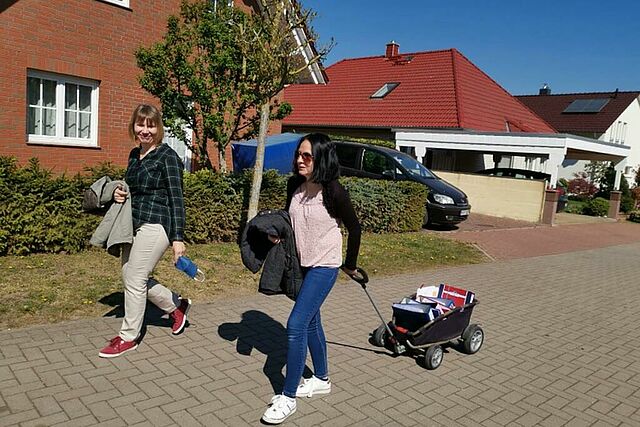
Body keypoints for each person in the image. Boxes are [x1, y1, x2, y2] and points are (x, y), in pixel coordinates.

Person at [261, 133, 361, 424]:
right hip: (301, 264)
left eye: (307, 156)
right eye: (298, 155)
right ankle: (321, 379)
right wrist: (276, 234)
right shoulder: (295, 185)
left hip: (325, 265)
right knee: (312, 320)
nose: (300, 161)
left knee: (295, 324)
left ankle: (288, 397)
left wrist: (350, 265)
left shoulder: (334, 192)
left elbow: (354, 229)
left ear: (321, 159)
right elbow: (290, 220)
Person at [98, 104, 191, 358]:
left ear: (159, 128)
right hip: (133, 223)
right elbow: (132, 188)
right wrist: (119, 192)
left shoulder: (167, 156)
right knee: (131, 277)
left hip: (158, 223)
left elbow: (177, 199)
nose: (145, 130)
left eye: (151, 125)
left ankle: (129, 337)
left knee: (136, 278)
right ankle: (177, 305)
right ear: (134, 126)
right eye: (141, 124)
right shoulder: (133, 155)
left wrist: (178, 239)